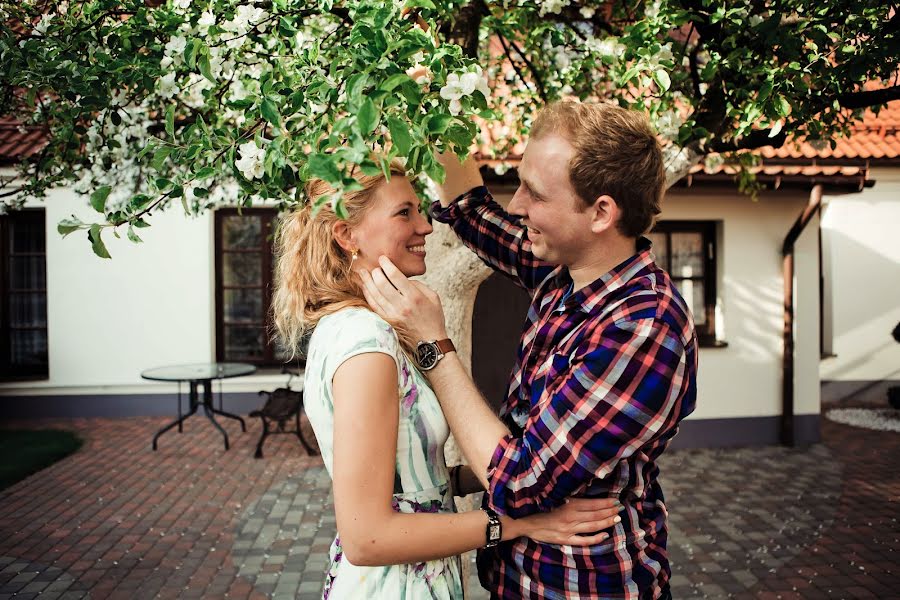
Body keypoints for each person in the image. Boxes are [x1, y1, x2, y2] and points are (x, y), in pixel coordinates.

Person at [360, 101, 698, 599]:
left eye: (535, 194)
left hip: (585, 589)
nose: (517, 206)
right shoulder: (563, 270)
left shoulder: (643, 326)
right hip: (516, 581)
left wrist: (433, 345)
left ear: (602, 212)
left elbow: (519, 482)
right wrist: (426, 106)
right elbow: (472, 212)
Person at [271, 162, 625, 599]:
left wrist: (516, 470)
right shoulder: (365, 342)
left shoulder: (373, 328)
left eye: (420, 209)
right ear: (347, 235)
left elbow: (405, 478)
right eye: (405, 213)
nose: (425, 225)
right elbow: (367, 537)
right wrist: (522, 523)